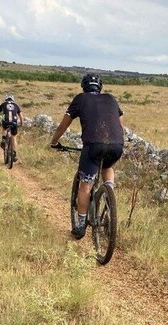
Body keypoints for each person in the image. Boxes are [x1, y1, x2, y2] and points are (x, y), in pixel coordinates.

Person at [49, 74, 125, 238]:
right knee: (108, 166)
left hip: (93, 146)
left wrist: (54, 142)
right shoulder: (111, 99)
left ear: (83, 87)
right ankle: (108, 193)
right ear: (100, 88)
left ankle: (81, 225)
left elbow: (63, 125)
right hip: (117, 145)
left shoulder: (80, 99)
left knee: (86, 185)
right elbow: (120, 125)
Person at [0, 94, 24, 160]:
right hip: (14, 122)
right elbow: (21, 117)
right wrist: (21, 125)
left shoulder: (3, 104)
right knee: (14, 137)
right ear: (13, 100)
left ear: (6, 99)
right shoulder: (16, 105)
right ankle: (14, 154)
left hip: (5, 122)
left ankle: (3, 139)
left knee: (4, 128)